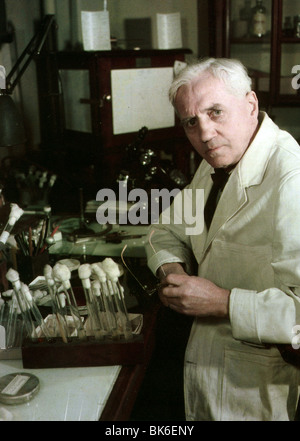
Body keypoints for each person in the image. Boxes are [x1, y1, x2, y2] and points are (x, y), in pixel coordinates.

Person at [145, 57, 300, 421]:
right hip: (208, 371)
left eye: (216, 112)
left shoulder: (291, 179)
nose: (205, 134)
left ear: (250, 105)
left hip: (255, 389)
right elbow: (163, 230)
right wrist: (172, 272)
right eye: (191, 122)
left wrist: (222, 303)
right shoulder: (217, 159)